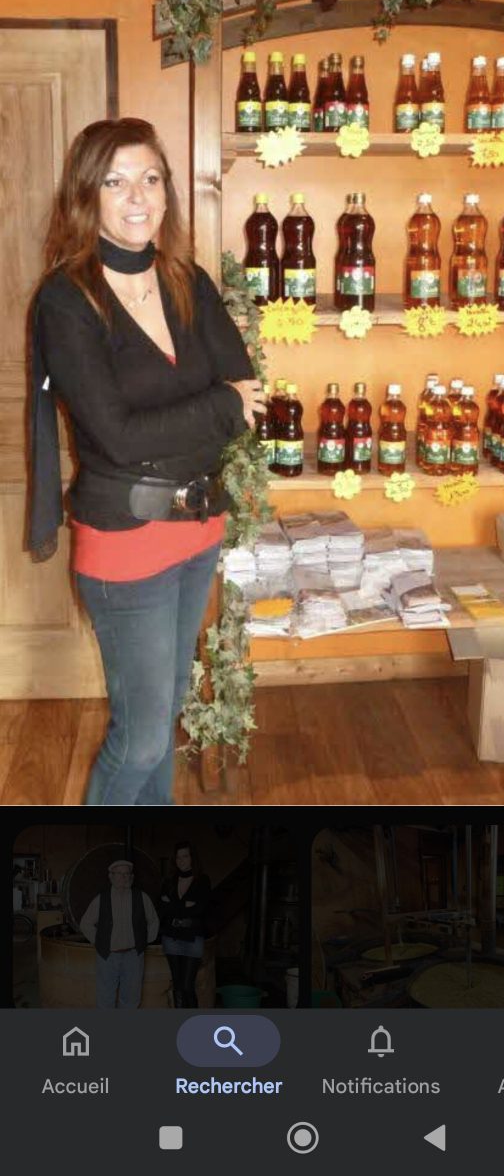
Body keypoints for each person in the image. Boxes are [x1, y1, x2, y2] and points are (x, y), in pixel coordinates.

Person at [27, 117, 265, 806]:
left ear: (168, 192)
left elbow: (244, 388)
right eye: (116, 181)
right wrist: (216, 406)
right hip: (126, 541)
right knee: (139, 740)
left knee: (162, 720)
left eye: (151, 178)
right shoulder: (66, 300)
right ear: (86, 196)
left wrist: (213, 408)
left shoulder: (186, 280)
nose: (138, 196)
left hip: (199, 529)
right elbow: (121, 439)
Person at [80, 859, 159, 1008]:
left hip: (133, 957)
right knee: (105, 999)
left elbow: (154, 920)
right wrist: (99, 941)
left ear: (131, 877)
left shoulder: (142, 897)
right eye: (119, 873)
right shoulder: (101, 899)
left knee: (131, 1000)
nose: (123, 877)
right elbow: (85, 923)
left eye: (127, 874)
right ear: (111, 876)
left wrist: (144, 941)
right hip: (108, 957)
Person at [160, 841, 211, 1007]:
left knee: (188, 985)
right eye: (178, 857)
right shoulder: (168, 881)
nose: (181, 860)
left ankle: (193, 1020)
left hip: (193, 937)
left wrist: (174, 905)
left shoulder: (202, 880)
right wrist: (186, 905)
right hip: (171, 937)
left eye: (185, 856)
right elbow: (162, 908)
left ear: (192, 858)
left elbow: (201, 909)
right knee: (177, 984)